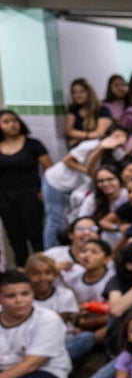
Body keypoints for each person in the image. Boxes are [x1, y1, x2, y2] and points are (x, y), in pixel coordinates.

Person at [0, 271, 71, 378]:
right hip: (5, 369)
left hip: (43, 372)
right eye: (10, 296)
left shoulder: (48, 319)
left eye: (25, 294)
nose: (19, 301)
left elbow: (30, 364)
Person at [0, 110, 53, 265]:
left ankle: (43, 267)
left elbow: (50, 170)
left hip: (31, 195)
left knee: (36, 233)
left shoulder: (33, 144)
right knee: (15, 236)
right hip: (5, 198)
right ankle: (22, 270)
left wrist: (44, 191)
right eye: (6, 121)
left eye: (15, 120)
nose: (12, 124)